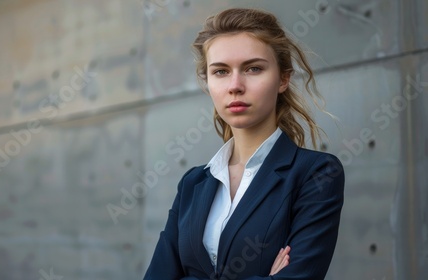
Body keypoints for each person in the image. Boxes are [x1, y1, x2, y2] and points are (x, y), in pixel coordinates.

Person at [144, 7, 344, 280]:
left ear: (283, 78)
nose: (235, 85)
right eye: (221, 71)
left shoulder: (316, 174)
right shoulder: (192, 184)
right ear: (208, 82)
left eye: (253, 68)